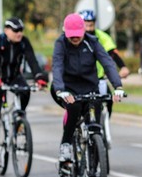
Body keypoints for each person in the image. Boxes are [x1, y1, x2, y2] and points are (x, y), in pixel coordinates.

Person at [51, 13, 124, 163]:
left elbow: (107, 64)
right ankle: (66, 144)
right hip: (66, 87)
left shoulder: (93, 42)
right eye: (72, 36)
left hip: (89, 87)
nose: (75, 39)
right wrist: (60, 89)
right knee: (74, 107)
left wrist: (118, 86)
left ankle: (95, 159)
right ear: (65, 32)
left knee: (95, 118)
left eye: (78, 35)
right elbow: (57, 66)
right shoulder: (61, 44)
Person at [0, 17, 49, 167]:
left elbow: (32, 61)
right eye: (15, 31)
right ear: (7, 30)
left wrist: (39, 77)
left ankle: (20, 117)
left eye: (21, 30)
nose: (19, 33)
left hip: (14, 77)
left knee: (26, 90)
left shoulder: (24, 42)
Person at [79, 10, 129, 125]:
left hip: (99, 77)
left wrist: (123, 67)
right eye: (86, 24)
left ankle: (103, 125)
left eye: (91, 24)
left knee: (107, 100)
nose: (89, 28)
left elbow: (112, 53)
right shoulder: (77, 38)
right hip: (82, 79)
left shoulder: (101, 37)